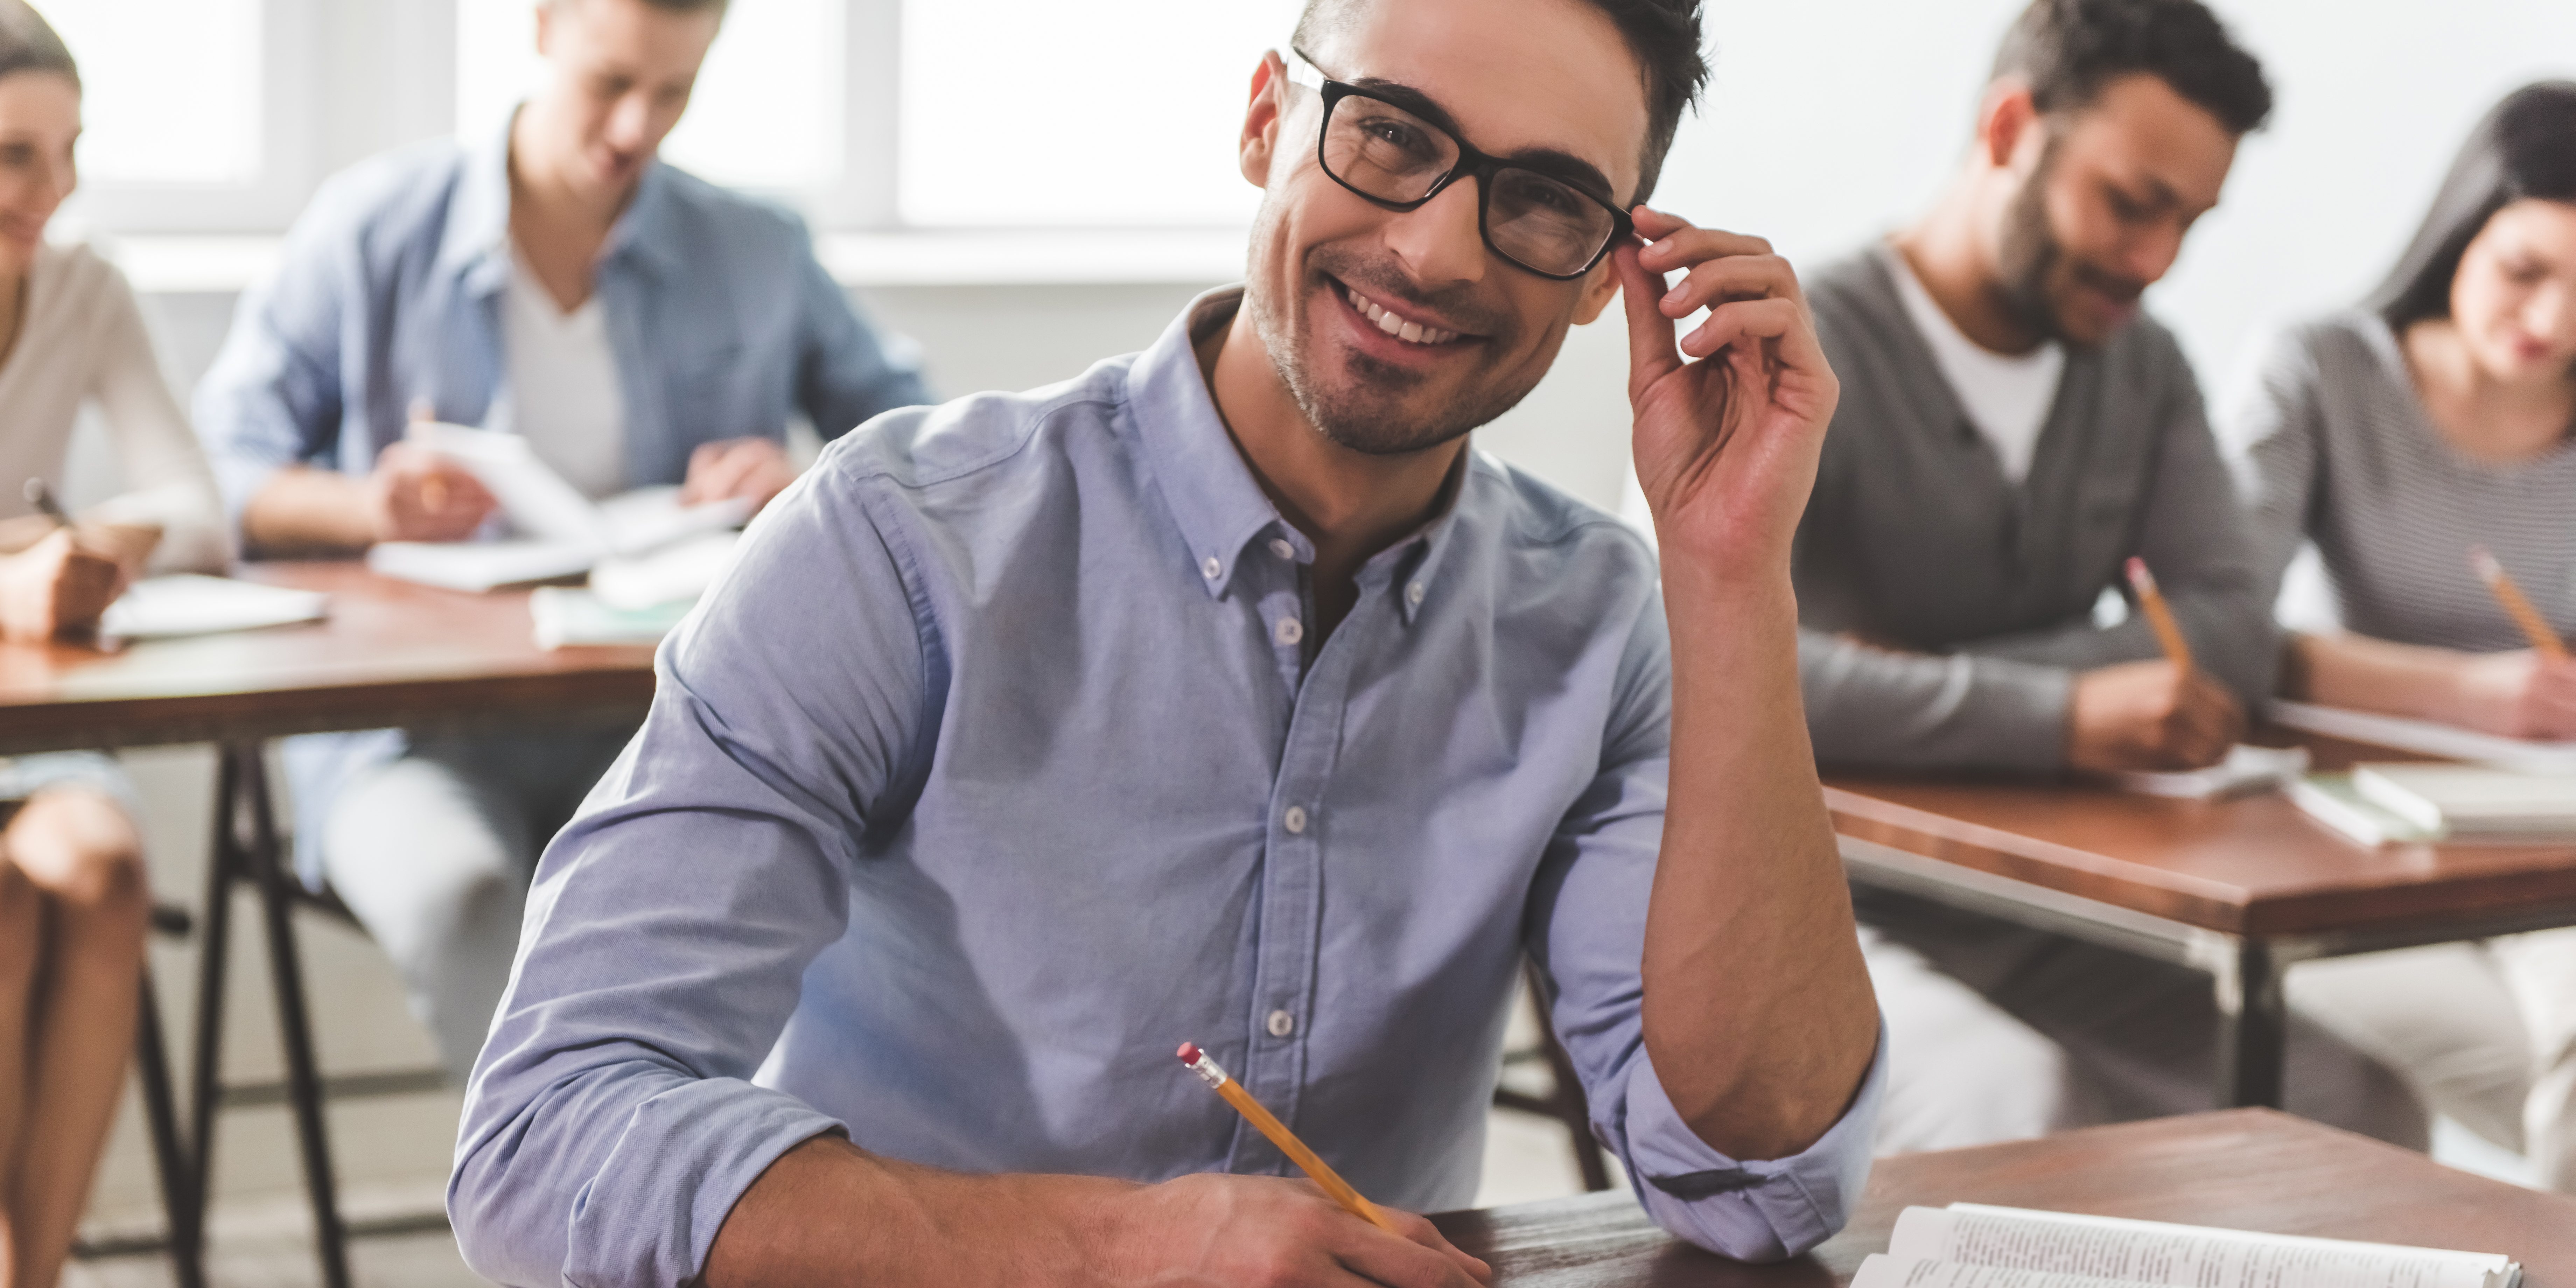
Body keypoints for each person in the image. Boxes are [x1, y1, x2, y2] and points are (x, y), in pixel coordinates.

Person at [450, 0, 1888, 1282]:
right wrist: (1117, 1247)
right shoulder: (896, 545)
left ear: (1600, 275)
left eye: (1546, 201)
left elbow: (1757, 1183)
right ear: (1269, 119)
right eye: (1389, 137)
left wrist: (1732, 571)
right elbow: (545, 1133)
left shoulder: (1597, 622)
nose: (1437, 245)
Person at [192, 0, 931, 1083]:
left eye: (672, 94)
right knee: (465, 901)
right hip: (409, 735)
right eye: (610, 83)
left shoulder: (756, 247)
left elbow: (923, 443)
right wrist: (366, 509)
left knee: (808, 894)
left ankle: (710, 1209)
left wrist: (810, 480)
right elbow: (220, 472)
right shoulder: (372, 228)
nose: (635, 128)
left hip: (669, 717)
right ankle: (572, 1222)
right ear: (544, 27)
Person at [1791, 0, 2422, 1154]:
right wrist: (2063, 713)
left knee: (2366, 1112)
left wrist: (1924, 685)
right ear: (2011, 129)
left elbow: (2230, 626)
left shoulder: (2145, 366)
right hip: (1812, 900)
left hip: (2045, 907)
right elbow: (1721, 673)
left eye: (2191, 221)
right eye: (2133, 204)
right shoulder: (1797, 342)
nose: (2157, 262)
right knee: (2024, 1112)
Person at [2231, 83, 2576, 1190]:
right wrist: (2470, 694)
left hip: (2555, 833)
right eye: (2527, 271)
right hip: (2364, 823)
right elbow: (2219, 630)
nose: (2556, 322)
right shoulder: (2323, 369)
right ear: (2459, 230)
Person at [0, 5, 224, 1284]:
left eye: (69, 149)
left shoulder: (88, 288)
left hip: (39, 741)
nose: (54, 188)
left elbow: (199, 510)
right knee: (4, 911)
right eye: (16, 155)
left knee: (103, 873)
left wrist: (96, 550)